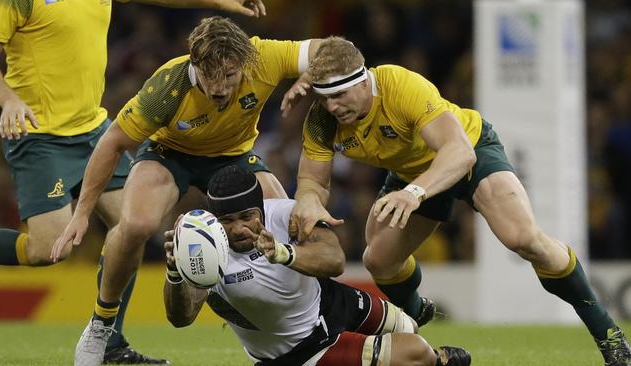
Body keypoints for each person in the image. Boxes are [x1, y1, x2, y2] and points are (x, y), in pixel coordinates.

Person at [285, 36, 631, 366]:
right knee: (379, 260)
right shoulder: (322, 119)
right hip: (411, 174)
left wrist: (414, 192)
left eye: (341, 94)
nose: (333, 105)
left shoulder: (399, 85)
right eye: (325, 96)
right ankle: (415, 311)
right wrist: (309, 201)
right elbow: (312, 180)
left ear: (364, 81)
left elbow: (459, 153)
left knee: (523, 238)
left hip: (470, 151)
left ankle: (607, 332)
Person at [0, 1, 266, 364]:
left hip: (93, 131)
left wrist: (216, 1)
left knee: (130, 227)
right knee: (49, 249)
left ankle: (109, 343)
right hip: (40, 135)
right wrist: (8, 100)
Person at [49, 16, 322, 366]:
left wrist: (306, 78)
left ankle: (312, 318)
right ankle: (102, 326)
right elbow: (112, 143)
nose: (220, 87)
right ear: (195, 66)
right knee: (135, 225)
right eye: (210, 76)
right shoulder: (168, 88)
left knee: (288, 221)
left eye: (229, 75)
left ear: (245, 62)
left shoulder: (264, 56)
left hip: (233, 155)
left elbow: (330, 50)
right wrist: (83, 213)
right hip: (170, 154)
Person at [163, 165, 472, 366]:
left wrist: (284, 253)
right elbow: (182, 317)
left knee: (409, 327)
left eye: (247, 217)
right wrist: (175, 273)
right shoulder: (204, 250)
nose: (239, 228)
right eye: (227, 221)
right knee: (416, 353)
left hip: (329, 301)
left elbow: (335, 260)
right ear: (215, 220)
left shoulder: (284, 214)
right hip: (300, 352)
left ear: (261, 209)